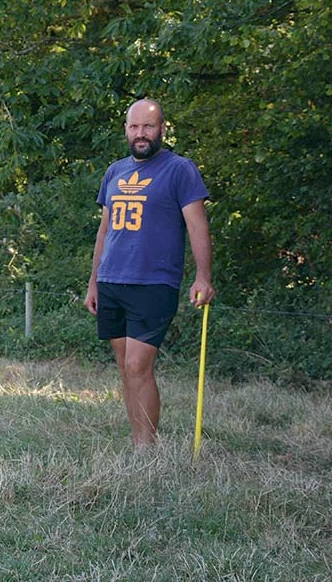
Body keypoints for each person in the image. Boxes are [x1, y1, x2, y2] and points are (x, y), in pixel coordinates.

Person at [84, 98, 215, 449]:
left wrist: (203, 276)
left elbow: (197, 226)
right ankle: (137, 440)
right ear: (126, 130)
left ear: (163, 129)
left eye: (148, 126)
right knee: (126, 368)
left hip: (154, 281)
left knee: (139, 366)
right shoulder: (115, 171)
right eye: (134, 127)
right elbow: (104, 231)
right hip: (112, 280)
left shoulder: (180, 169)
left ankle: (147, 449)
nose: (141, 134)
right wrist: (93, 281)